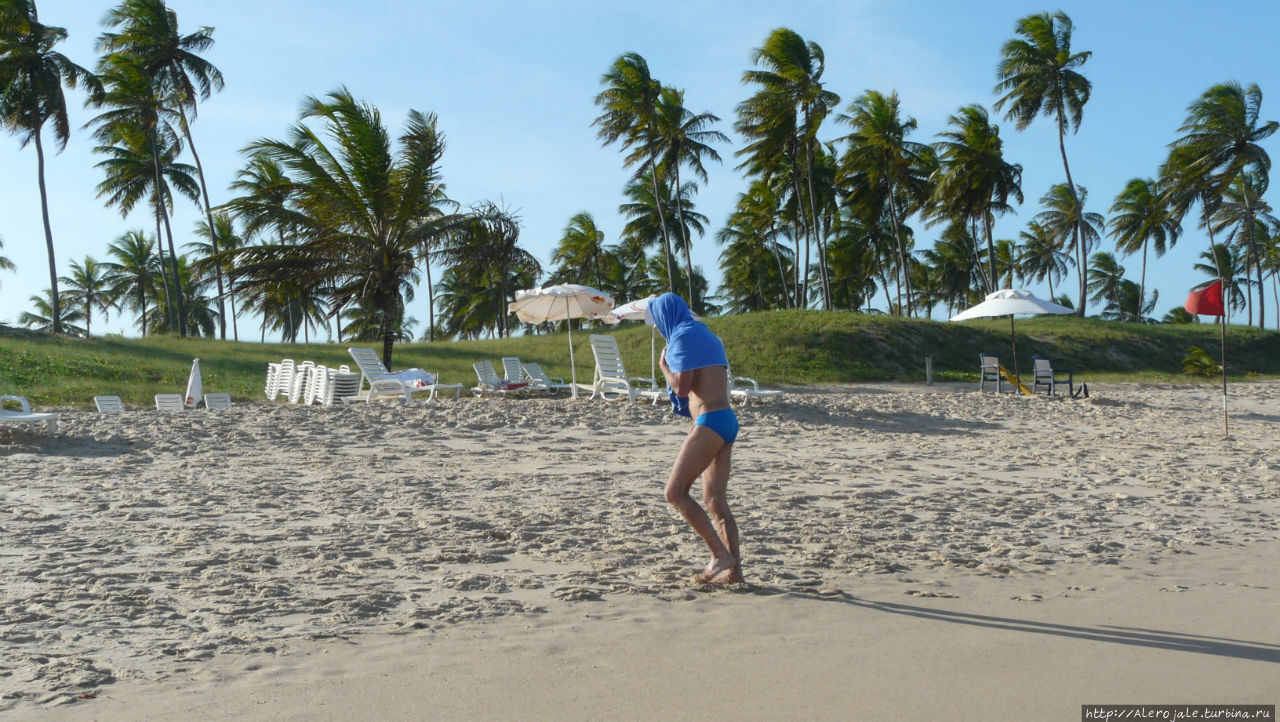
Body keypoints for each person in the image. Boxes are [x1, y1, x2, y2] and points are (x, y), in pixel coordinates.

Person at [646, 293, 742, 584]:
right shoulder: (705, 333)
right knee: (715, 501)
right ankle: (736, 574)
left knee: (674, 493)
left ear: (665, 316)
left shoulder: (682, 338)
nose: (656, 327)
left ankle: (719, 555)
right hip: (726, 419)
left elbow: (683, 388)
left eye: (656, 320)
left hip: (710, 421)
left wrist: (664, 366)